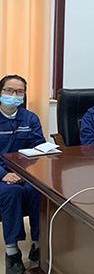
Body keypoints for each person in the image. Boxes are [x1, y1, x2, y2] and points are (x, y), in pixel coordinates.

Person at [0, 75, 44, 274]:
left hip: (25, 173)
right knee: (12, 193)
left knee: (38, 190)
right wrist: (3, 174)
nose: (14, 95)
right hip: (1, 174)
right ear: (1, 92)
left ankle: (38, 244)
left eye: (19, 92)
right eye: (9, 90)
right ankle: (12, 252)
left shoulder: (30, 118)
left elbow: (38, 149)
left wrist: (26, 173)